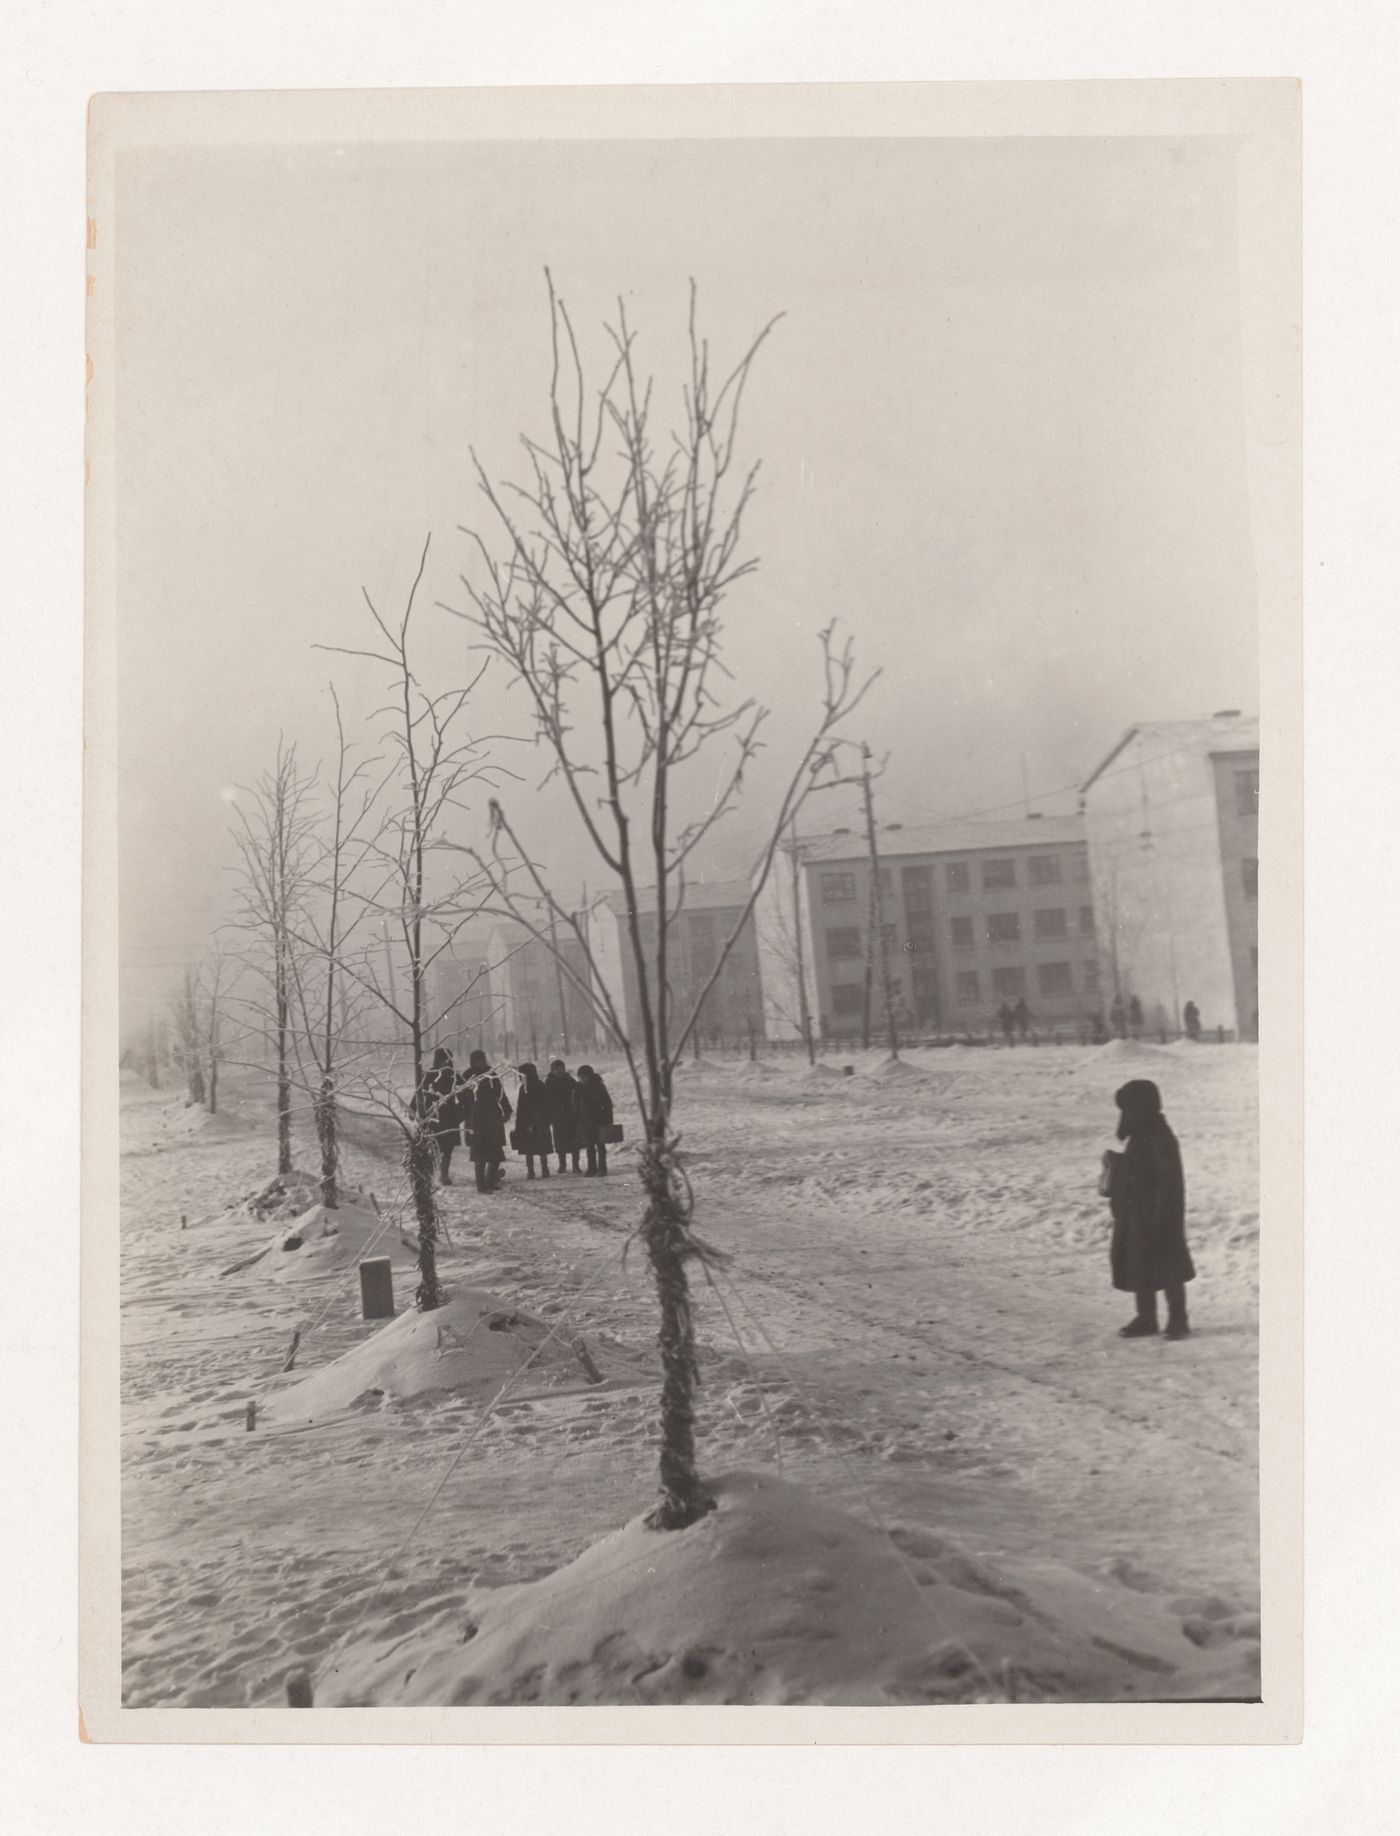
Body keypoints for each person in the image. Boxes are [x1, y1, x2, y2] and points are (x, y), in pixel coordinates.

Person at [1100, 1078, 1195, 1340]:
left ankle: (1178, 1320)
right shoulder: (1142, 1133)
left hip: (1158, 1215)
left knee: (1169, 1269)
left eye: (1128, 1107)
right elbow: (1139, 1167)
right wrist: (1117, 1162)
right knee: (1140, 1264)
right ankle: (1146, 1318)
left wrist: (1161, 1215)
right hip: (1136, 1213)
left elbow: (1168, 1179)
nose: (1125, 1114)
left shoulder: (1160, 1135)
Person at [464, 1049, 512, 1193]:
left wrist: (507, 1109)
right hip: (476, 1118)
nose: (479, 1063)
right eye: (476, 1060)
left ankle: (490, 1181)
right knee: (480, 1156)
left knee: (495, 1154)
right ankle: (481, 1186)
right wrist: (467, 1116)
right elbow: (463, 1099)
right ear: (472, 1061)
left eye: (481, 1060)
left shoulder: (491, 1074)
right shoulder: (467, 1076)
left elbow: (500, 1094)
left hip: (492, 1117)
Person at [419, 1046, 466, 1187]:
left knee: (448, 1147)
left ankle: (444, 1174)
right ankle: (429, 1174)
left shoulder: (453, 1075)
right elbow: (419, 1093)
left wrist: (460, 1112)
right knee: (433, 1146)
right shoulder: (429, 1074)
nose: (445, 1062)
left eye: (448, 1059)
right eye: (443, 1059)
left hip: (450, 1116)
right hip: (432, 1116)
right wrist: (416, 1109)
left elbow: (465, 1094)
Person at [513, 1062, 553, 1181]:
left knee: (529, 1148)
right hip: (539, 1122)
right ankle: (544, 1169)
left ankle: (532, 1171)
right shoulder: (541, 1085)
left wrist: (520, 1124)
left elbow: (522, 1108)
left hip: (530, 1122)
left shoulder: (526, 1088)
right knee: (541, 1147)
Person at [574, 1063, 615, 1177]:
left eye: (584, 1076)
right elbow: (575, 1104)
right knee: (590, 1146)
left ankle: (602, 1168)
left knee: (600, 1145)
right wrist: (577, 1118)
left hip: (600, 1120)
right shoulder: (578, 1088)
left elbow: (607, 1104)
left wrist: (609, 1120)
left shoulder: (599, 1087)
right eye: (580, 1076)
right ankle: (591, 1168)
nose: (582, 1078)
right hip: (585, 1122)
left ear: (590, 1076)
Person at [542, 1058, 581, 1173]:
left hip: (570, 1116)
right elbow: (546, 1101)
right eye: (556, 1069)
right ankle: (562, 1165)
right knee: (560, 1142)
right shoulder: (548, 1083)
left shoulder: (570, 1081)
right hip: (557, 1117)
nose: (559, 1071)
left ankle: (575, 1165)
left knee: (574, 1141)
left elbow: (577, 1095)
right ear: (552, 1070)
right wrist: (548, 1115)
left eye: (561, 1069)